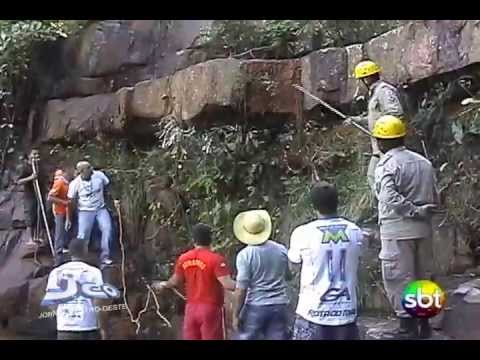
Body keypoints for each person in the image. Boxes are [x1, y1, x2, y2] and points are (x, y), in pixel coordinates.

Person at [373, 115, 439, 339]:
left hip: (396, 231)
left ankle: (406, 327)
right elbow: (435, 194)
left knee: (399, 277)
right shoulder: (424, 162)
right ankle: (425, 325)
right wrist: (422, 212)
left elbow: (387, 197)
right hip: (423, 230)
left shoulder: (387, 165)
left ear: (381, 142)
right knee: (424, 276)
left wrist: (412, 210)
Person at [288, 182, 364, 340]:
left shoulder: (303, 232)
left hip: (312, 313)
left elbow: (293, 266)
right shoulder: (355, 231)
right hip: (347, 313)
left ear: (313, 206)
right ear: (338, 202)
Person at [153, 223, 236, 340]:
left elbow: (174, 281)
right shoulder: (216, 259)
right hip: (211, 309)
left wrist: (163, 284)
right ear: (210, 239)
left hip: (191, 310)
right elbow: (228, 284)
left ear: (194, 240)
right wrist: (247, 284)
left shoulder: (183, 258)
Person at [344, 60, 405, 194]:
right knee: (374, 179)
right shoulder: (375, 93)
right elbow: (375, 118)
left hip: (388, 146)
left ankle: (386, 206)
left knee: (377, 179)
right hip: (379, 148)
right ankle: (383, 207)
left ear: (367, 78)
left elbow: (396, 113)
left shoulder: (384, 91)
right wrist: (355, 120)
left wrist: (386, 134)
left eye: (361, 79)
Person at [232, 209, 289, 340]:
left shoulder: (245, 255)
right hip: (280, 304)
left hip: (255, 306)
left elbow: (242, 289)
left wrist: (235, 314)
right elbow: (288, 276)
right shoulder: (281, 250)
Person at [42, 238, 108, 340]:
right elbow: (98, 302)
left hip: (65, 329)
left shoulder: (56, 272)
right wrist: (103, 327)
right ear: (85, 251)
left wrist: (61, 314)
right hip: (88, 327)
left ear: (70, 252)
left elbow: (51, 303)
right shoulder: (94, 272)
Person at [67, 161, 114, 268]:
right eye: (88, 168)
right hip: (85, 211)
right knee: (82, 235)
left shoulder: (99, 176)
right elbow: (71, 200)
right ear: (81, 172)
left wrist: (113, 199)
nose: (91, 169)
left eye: (90, 167)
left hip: (100, 209)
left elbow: (108, 186)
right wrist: (70, 217)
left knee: (108, 229)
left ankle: (105, 257)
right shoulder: (75, 183)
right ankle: (79, 260)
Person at [16, 149, 43, 246]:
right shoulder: (24, 167)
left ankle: (37, 236)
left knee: (38, 215)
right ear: (29, 156)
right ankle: (30, 238)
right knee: (30, 216)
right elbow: (18, 181)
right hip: (29, 195)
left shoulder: (38, 166)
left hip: (38, 194)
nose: (36, 156)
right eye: (34, 154)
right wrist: (31, 178)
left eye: (37, 154)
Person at [48, 169, 70, 266]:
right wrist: (63, 202)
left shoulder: (68, 183)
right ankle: (58, 254)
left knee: (65, 230)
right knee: (59, 232)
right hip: (59, 210)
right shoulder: (60, 182)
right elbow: (50, 197)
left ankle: (64, 249)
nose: (57, 178)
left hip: (67, 210)